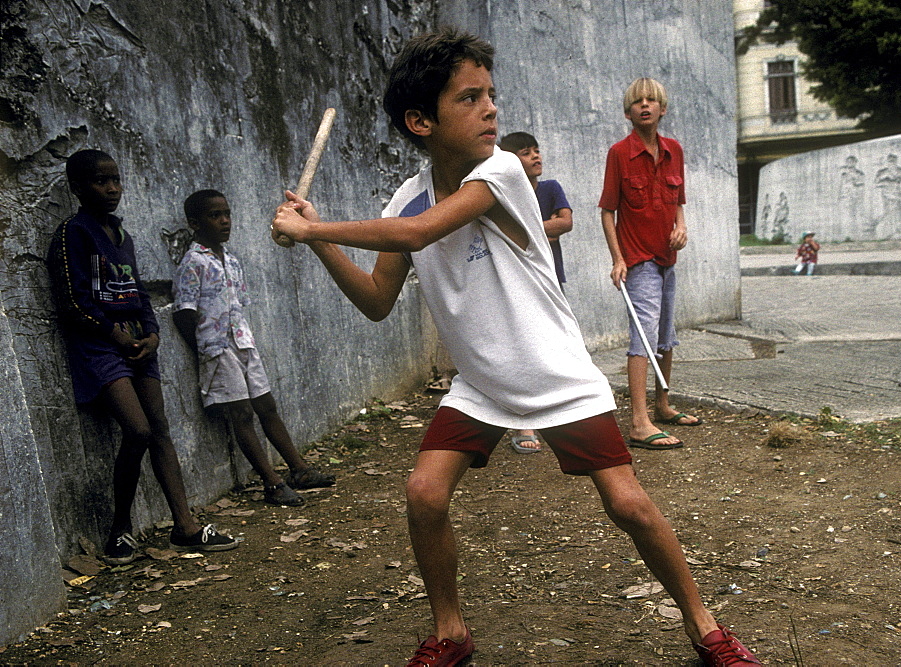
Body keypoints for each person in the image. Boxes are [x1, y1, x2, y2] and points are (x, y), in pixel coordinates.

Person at [271, 28, 760, 667]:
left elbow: (416, 235)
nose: (492, 109)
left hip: (556, 375)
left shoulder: (500, 171)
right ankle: (451, 633)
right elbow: (376, 300)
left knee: (630, 505)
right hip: (482, 384)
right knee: (424, 494)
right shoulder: (405, 196)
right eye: (470, 99)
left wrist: (313, 224)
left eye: (490, 95)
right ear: (421, 121)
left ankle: (707, 629)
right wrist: (317, 242)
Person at [47, 150, 238, 565]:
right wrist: (115, 335)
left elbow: (136, 294)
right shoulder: (72, 235)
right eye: (101, 181)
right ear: (78, 187)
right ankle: (120, 529)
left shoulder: (123, 237)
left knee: (159, 429)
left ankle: (185, 527)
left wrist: (151, 335)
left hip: (137, 345)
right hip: (101, 347)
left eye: (116, 179)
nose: (112, 188)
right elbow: (72, 303)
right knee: (136, 431)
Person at [172, 190, 336, 506]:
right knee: (241, 413)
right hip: (217, 349)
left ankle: (298, 469)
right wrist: (205, 351)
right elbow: (184, 313)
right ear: (194, 223)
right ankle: (271, 483)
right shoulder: (193, 262)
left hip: (243, 342)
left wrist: (240, 341)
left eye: (227, 213)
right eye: (214, 215)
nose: (224, 221)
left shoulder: (230, 260)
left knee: (267, 406)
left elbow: (238, 306)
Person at [598, 77, 703, 453]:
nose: (645, 105)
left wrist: (682, 227)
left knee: (665, 334)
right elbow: (607, 211)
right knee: (642, 336)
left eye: (652, 100)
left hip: (666, 258)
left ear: (662, 108)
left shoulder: (674, 150)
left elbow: (678, 202)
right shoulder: (619, 153)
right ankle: (639, 423)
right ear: (628, 112)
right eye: (637, 101)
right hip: (638, 260)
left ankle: (662, 406)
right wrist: (617, 259)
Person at [498, 131, 574, 454]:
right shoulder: (505, 194)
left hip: (552, 280)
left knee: (558, 345)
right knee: (523, 348)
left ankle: (559, 415)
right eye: (526, 153)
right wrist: (546, 228)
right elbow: (506, 233)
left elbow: (566, 223)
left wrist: (529, 231)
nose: (535, 156)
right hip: (519, 284)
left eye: (537, 151)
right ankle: (524, 420)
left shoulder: (551, 188)